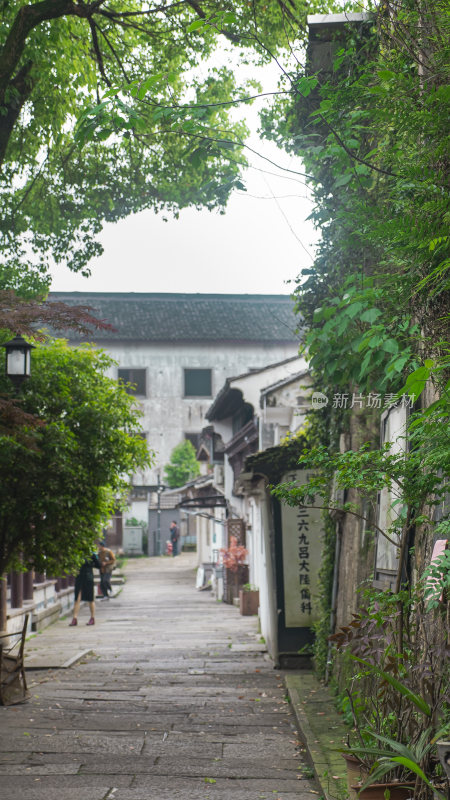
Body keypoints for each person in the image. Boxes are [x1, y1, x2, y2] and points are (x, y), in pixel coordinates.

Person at [69, 552, 101, 626]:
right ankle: (74, 618)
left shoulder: (91, 554)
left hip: (88, 577)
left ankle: (92, 618)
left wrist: (94, 559)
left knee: (90, 599)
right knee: (77, 598)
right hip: (79, 577)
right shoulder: (76, 553)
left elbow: (98, 565)